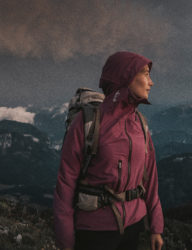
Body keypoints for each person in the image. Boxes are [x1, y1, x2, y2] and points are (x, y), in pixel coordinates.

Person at [53, 51, 164, 250]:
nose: (151, 82)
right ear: (126, 77)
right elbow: (65, 185)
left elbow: (150, 179)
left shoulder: (140, 123)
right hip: (95, 231)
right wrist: (66, 241)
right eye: (146, 74)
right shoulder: (86, 123)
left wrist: (156, 227)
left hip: (134, 227)